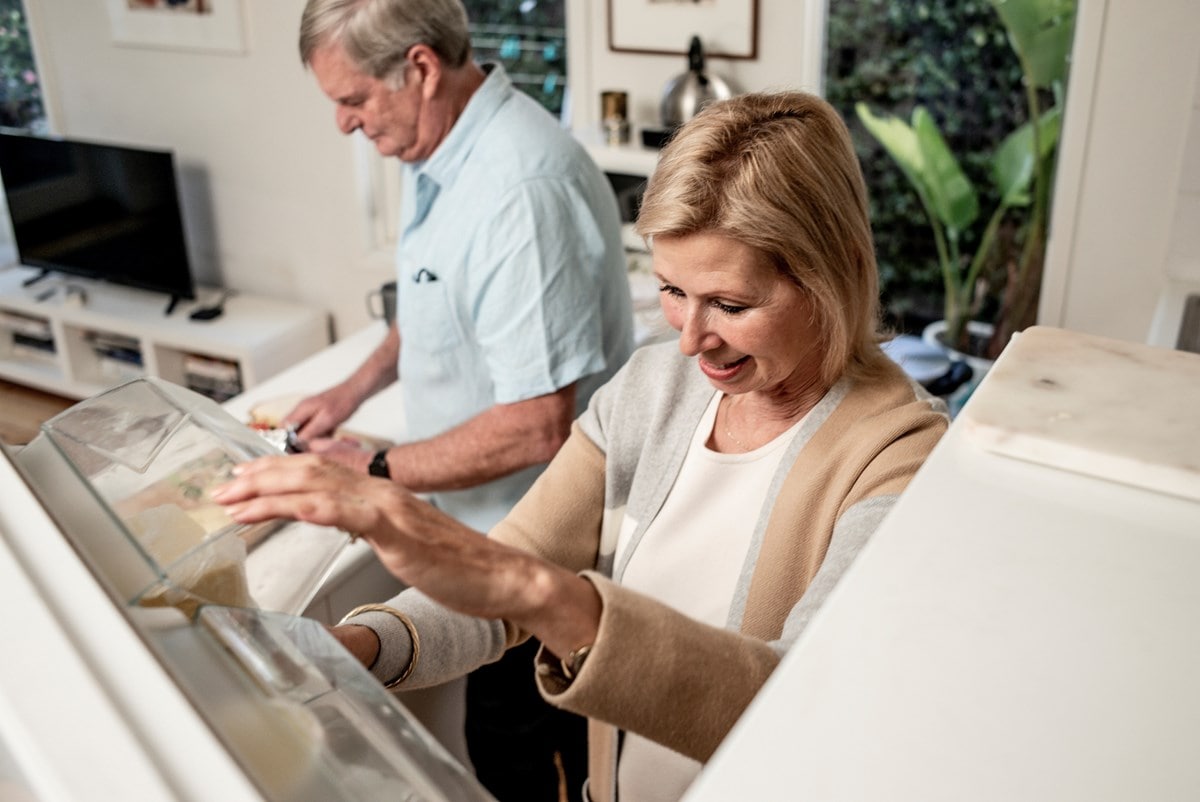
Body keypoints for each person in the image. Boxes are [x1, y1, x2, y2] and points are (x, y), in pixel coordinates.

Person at [214, 90, 949, 802]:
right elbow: (507, 576)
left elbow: (793, 706)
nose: (692, 340)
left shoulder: (900, 455)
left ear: (837, 271)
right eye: (670, 290)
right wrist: (351, 650)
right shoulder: (656, 385)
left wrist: (540, 595)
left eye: (730, 304)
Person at [283, 1, 635, 799]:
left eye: (353, 100)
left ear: (419, 68)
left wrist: (373, 469)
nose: (343, 124)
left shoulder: (520, 191)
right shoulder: (437, 151)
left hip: (538, 537)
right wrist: (353, 388)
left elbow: (538, 424)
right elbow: (432, 302)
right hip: (473, 517)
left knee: (524, 755)